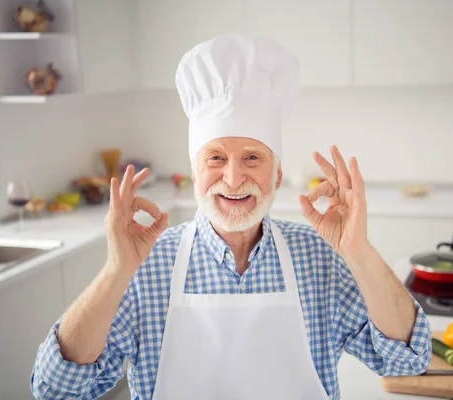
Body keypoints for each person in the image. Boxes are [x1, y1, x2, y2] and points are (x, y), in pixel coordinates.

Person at [30, 34, 431, 400]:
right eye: (216, 158)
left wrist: (359, 251)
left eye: (252, 158)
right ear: (194, 175)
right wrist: (116, 270)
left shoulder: (319, 258)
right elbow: (55, 389)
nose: (234, 178)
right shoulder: (147, 265)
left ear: (276, 174)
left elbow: (407, 361)